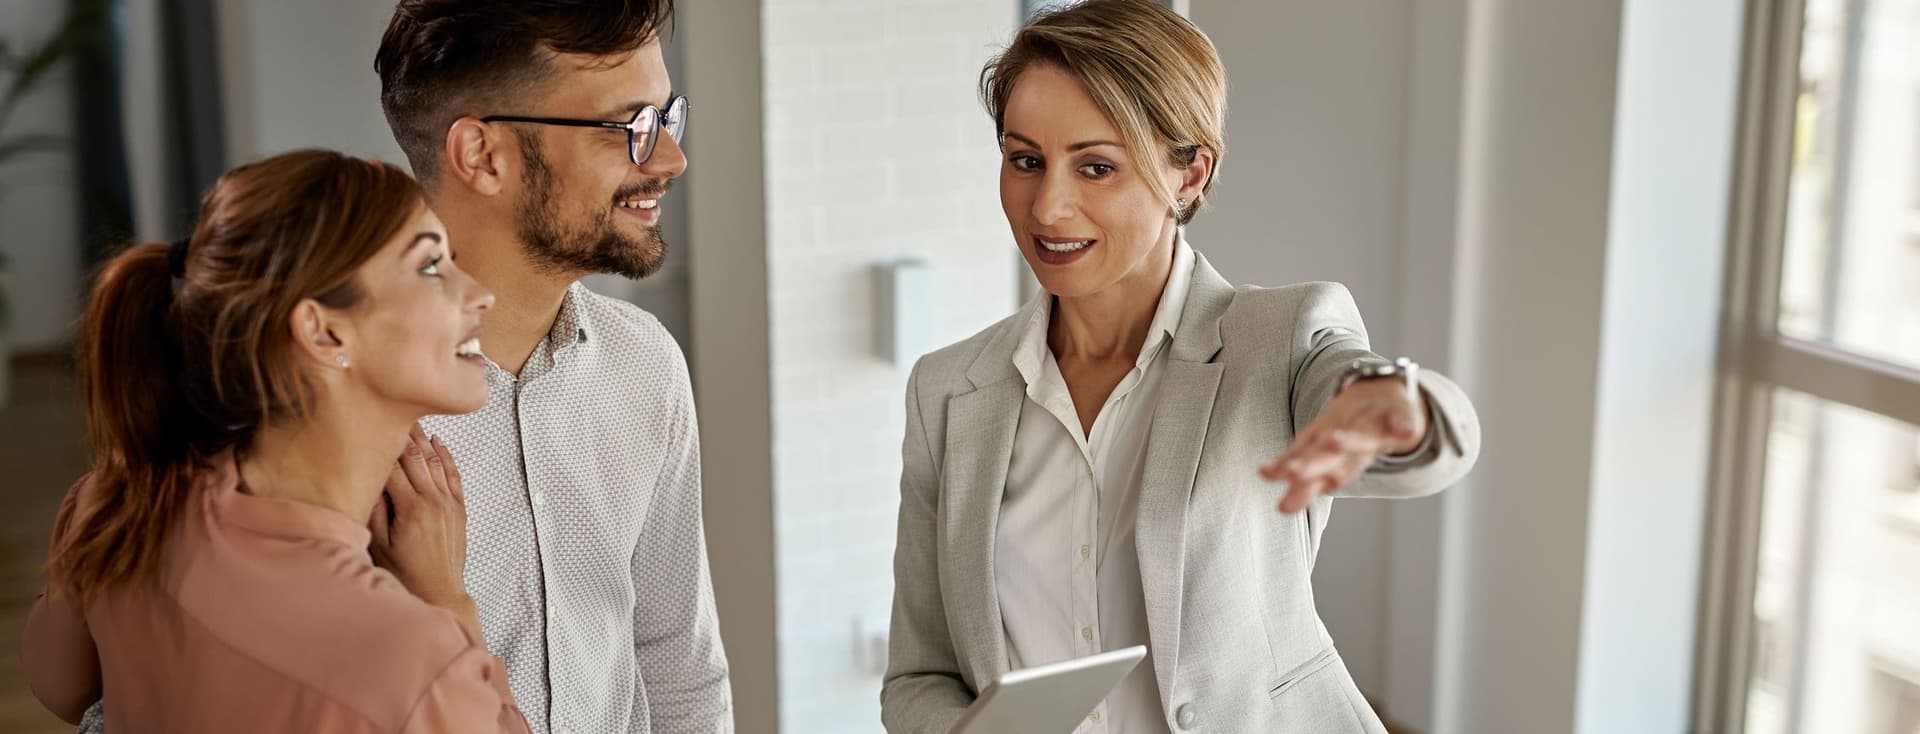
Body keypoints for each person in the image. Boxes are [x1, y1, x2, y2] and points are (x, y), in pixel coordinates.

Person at [880, 1, 1482, 732]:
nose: (1049, 206)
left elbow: (1418, 431)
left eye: (1096, 166)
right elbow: (919, 679)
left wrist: (1398, 404)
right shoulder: (947, 391)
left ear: (1189, 174)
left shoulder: (1280, 339)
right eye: (1025, 160)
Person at [21, 149, 528, 732]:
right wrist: (447, 602)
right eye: (431, 267)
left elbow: (59, 686)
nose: (479, 294)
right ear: (322, 329)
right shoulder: (414, 662)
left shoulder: (119, 499)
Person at [375, 1, 731, 732]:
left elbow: (679, 668)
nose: (669, 158)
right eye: (630, 127)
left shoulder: (645, 365)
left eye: (669, 118)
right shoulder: (339, 398)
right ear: (482, 155)